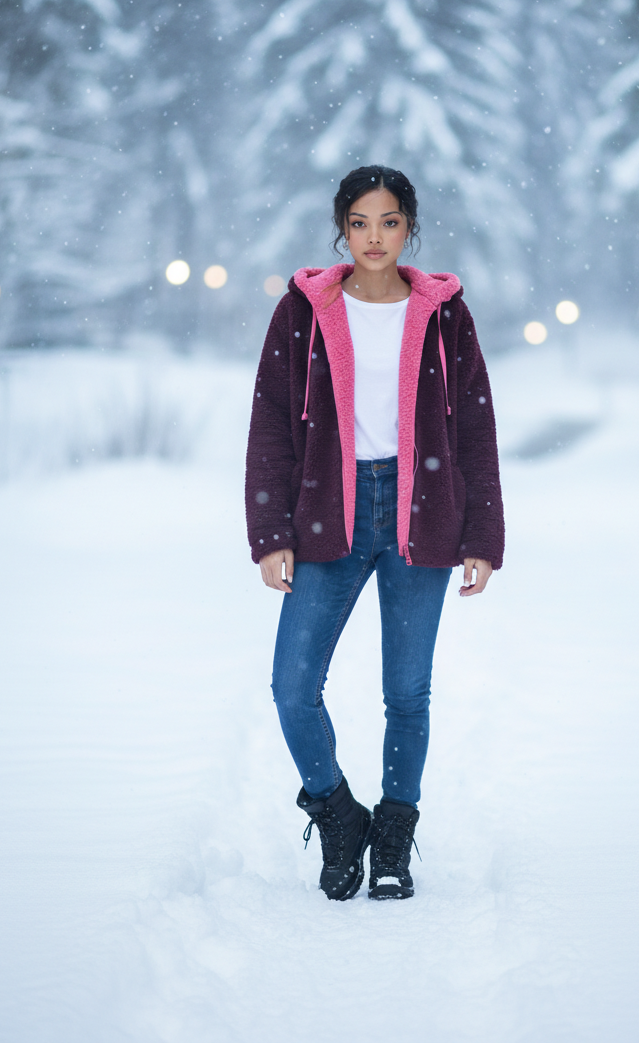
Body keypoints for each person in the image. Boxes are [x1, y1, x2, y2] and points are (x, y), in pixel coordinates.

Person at [245, 164, 504, 901]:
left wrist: (482, 535)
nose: (374, 237)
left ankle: (392, 833)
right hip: (329, 511)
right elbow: (270, 423)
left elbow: (476, 427)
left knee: (407, 692)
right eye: (359, 223)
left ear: (409, 228)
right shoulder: (304, 311)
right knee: (293, 687)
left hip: (425, 510)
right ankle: (338, 814)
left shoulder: (445, 315)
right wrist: (271, 532)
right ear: (341, 228)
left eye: (389, 222)